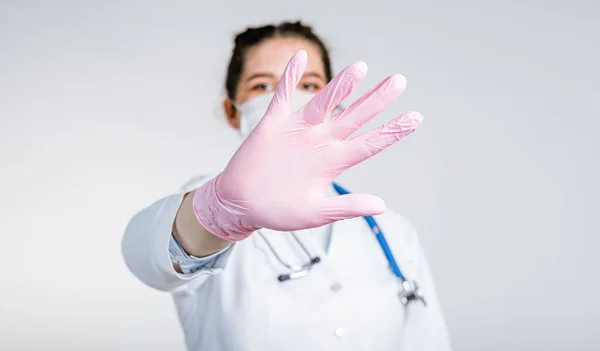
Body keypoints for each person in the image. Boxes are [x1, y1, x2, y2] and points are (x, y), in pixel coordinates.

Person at [122, 21, 452, 351]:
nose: (289, 98)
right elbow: (144, 256)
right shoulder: (207, 201)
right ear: (231, 111)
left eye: (309, 85)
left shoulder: (392, 231)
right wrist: (218, 213)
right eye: (263, 86)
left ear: (334, 104)